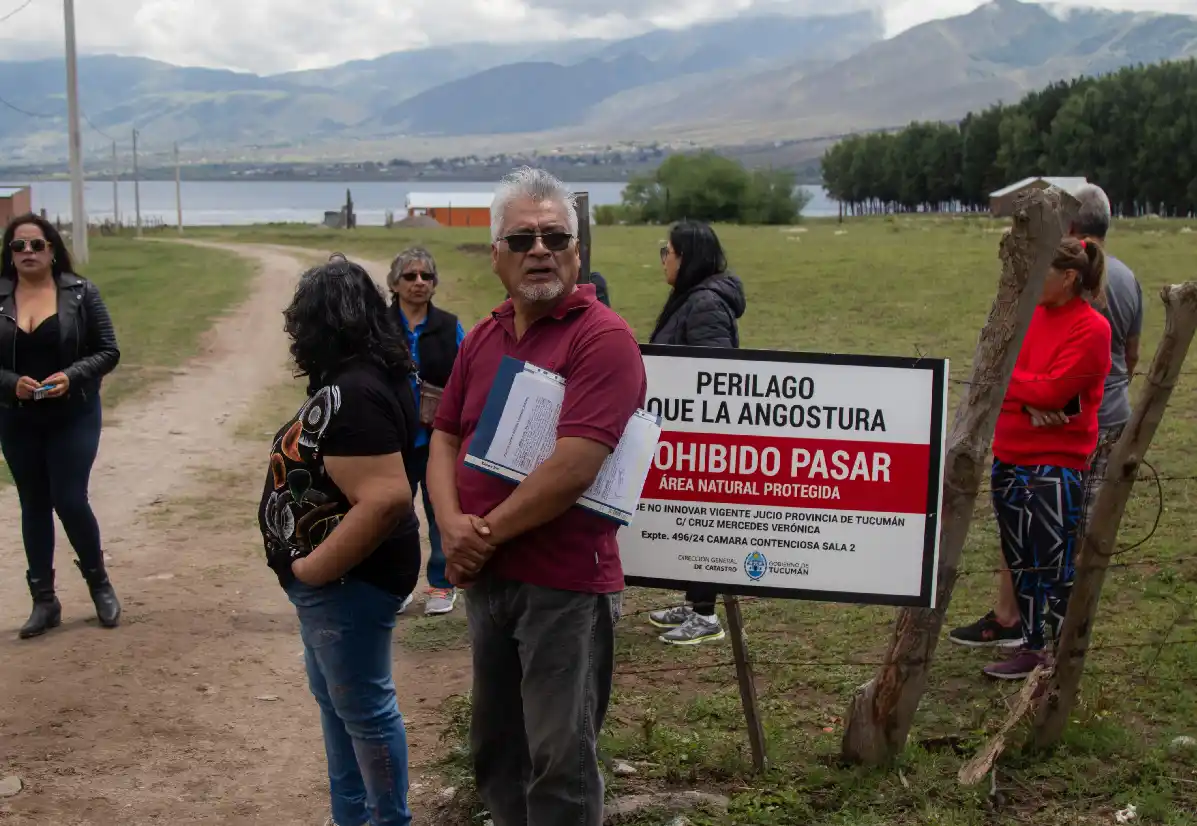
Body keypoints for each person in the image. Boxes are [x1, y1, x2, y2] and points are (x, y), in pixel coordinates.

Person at [426, 167, 646, 826]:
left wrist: (476, 536)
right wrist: (449, 530)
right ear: (495, 255)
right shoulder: (488, 334)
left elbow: (574, 466)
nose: (539, 251)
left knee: (559, 758)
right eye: (521, 240)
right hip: (489, 580)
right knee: (497, 749)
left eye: (555, 237)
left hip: (564, 588)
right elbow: (442, 437)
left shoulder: (601, 338)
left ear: (577, 253)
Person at [259, 259, 420, 826]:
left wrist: (314, 569)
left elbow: (386, 498)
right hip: (347, 580)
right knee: (341, 704)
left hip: (350, 579)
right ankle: (352, 815)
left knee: (365, 710)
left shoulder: (354, 393)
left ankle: (384, 820)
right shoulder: (373, 376)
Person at [950, 183, 1142, 650]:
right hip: (1067, 430)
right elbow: (1129, 358)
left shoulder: (1086, 316)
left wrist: (1043, 398)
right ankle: (1029, 634)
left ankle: (1048, 645)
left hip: (1067, 444)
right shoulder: (1125, 280)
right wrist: (1033, 398)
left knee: (1055, 550)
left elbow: (1046, 387)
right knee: (1037, 547)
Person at [979, 236, 1111, 680]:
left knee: (1051, 562)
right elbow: (998, 370)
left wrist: (1022, 389)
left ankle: (1056, 654)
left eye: (1045, 273)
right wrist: (1030, 395)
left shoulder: (1091, 328)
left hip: (1056, 462)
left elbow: (1056, 393)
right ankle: (1032, 647)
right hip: (1011, 454)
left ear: (1069, 277)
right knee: (1020, 558)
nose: (1035, 282)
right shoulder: (1029, 316)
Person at [0, 214, 121, 639]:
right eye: (19, 247)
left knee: (69, 498)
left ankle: (99, 584)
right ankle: (44, 601)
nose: (28, 253)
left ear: (52, 249)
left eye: (36, 245)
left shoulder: (81, 293)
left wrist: (72, 376)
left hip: (74, 412)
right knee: (33, 503)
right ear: (10, 255)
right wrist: (12, 384)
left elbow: (108, 350)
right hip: (17, 417)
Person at [645, 221, 746, 645]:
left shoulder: (704, 304)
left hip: (701, 438)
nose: (662, 258)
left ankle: (706, 615)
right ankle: (694, 602)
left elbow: (716, 376)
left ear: (687, 256)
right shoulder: (691, 298)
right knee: (688, 519)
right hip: (683, 432)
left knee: (703, 520)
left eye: (666, 250)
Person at [386, 247, 465, 616]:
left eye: (426, 276)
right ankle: (397, 585)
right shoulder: (379, 328)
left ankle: (441, 584)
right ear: (394, 283)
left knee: (440, 514)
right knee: (394, 517)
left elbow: (468, 376)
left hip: (438, 442)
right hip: (391, 440)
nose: (419, 283)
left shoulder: (450, 327)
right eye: (410, 276)